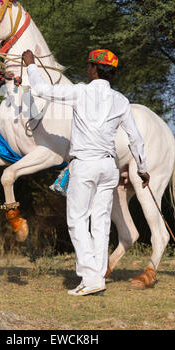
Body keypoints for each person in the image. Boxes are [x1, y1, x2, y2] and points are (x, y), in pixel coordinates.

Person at [22, 48, 150, 296]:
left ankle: (90, 278)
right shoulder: (121, 100)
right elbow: (136, 138)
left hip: (85, 165)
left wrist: (31, 65)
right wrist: (143, 168)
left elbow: (41, 90)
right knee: (100, 223)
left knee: (77, 220)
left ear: (93, 69)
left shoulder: (80, 92)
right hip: (108, 166)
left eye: (89, 65)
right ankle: (97, 277)